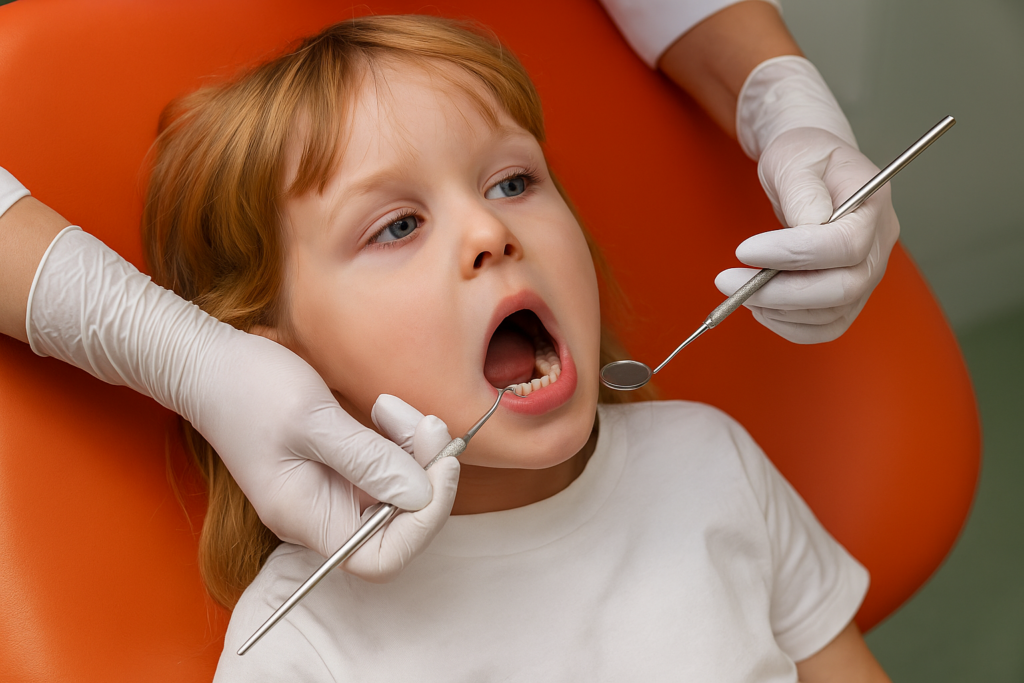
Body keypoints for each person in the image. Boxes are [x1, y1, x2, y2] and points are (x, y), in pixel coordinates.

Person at [0, 0, 898, 579]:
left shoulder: (708, 464)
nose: (489, 232)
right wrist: (183, 357)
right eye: (395, 225)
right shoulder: (304, 652)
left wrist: (783, 101)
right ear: (275, 351)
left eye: (512, 182)